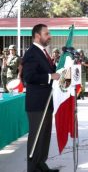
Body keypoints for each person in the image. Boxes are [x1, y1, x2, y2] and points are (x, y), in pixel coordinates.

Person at [22, 24, 60, 172]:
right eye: (46, 34)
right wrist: (50, 76)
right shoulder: (32, 53)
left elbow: (51, 71)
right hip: (37, 104)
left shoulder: (43, 52)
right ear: (37, 36)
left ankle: (41, 164)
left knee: (44, 136)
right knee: (36, 138)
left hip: (47, 101)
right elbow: (29, 77)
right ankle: (32, 168)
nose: (49, 36)